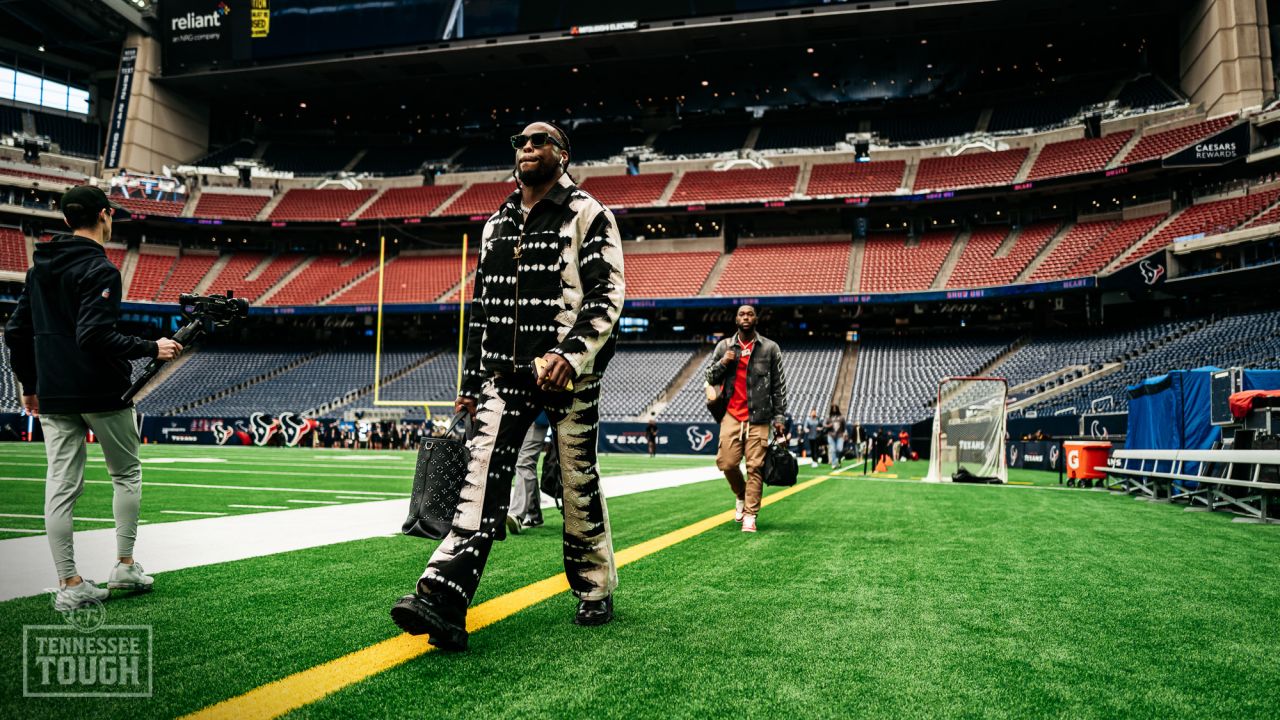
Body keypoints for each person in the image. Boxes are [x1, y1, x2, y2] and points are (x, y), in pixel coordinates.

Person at [391, 121, 625, 649]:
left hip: (571, 374)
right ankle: (441, 597)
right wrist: (471, 381)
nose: (526, 148)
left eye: (538, 141)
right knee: (479, 479)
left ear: (562, 155)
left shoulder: (589, 213)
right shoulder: (495, 223)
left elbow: (606, 296)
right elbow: (482, 310)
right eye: (520, 142)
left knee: (575, 480)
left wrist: (570, 354)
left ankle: (594, 588)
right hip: (505, 373)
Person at [3, 185, 183, 611]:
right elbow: (94, 335)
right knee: (126, 474)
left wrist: (29, 386)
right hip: (103, 390)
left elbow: (14, 331)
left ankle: (69, 583)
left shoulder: (39, 268)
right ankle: (124, 564)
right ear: (105, 215)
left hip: (54, 392)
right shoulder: (100, 268)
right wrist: (150, 347)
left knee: (61, 488)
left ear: (67, 220)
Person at [705, 305, 788, 533]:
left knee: (755, 467)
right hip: (731, 414)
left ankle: (750, 515)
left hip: (759, 416)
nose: (746, 317)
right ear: (736, 319)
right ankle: (741, 495)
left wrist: (779, 417)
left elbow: (779, 386)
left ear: (756, 319)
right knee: (727, 463)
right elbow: (709, 376)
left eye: (750, 314)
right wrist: (724, 362)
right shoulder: (724, 346)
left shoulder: (770, 348)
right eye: (742, 314)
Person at [510, 413, 549, 528]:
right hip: (523, 414)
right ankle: (534, 514)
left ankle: (517, 513)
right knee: (525, 462)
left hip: (537, 412)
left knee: (525, 462)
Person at [824, 404, 844, 469]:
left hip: (839, 435)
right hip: (831, 435)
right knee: (832, 449)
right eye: (833, 408)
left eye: (835, 408)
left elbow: (844, 426)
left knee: (839, 449)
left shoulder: (841, 417)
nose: (834, 410)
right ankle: (834, 463)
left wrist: (843, 434)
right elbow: (824, 424)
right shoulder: (828, 417)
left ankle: (838, 460)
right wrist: (828, 425)